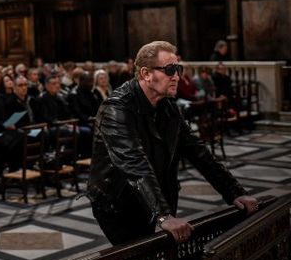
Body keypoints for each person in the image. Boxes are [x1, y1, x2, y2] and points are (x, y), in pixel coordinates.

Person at [88, 41, 258, 246]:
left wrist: (235, 192)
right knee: (139, 259)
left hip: (154, 196)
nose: (177, 76)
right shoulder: (116, 109)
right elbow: (133, 163)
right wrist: (163, 215)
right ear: (145, 74)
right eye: (170, 70)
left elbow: (199, 153)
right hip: (118, 203)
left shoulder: (169, 107)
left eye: (178, 69)